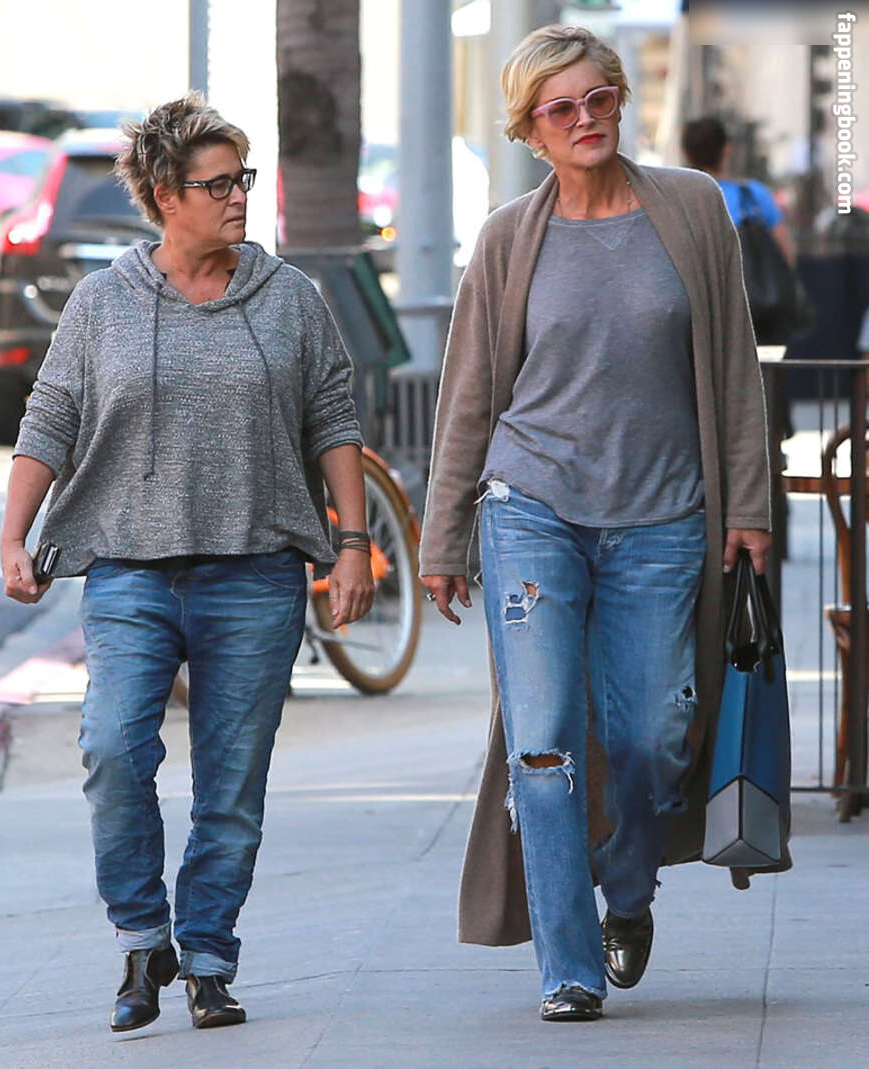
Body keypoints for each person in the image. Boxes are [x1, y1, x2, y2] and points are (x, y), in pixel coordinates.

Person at [419, 25, 776, 1023]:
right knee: (544, 745)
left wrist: (750, 503)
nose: (585, 120)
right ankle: (568, 966)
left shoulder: (692, 210)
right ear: (530, 130)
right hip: (532, 512)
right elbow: (470, 396)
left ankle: (627, 890)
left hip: (664, 518)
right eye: (561, 109)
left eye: (599, 99)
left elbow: (736, 366)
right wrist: (444, 537)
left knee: (652, 735)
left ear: (621, 99)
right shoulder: (507, 239)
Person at [0, 94, 374, 1033]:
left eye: (242, 178)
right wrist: (15, 534)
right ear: (166, 196)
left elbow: (333, 417)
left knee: (231, 787)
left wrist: (354, 543)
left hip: (257, 572)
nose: (238, 196)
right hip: (130, 569)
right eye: (218, 184)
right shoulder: (103, 301)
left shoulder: (289, 297)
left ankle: (207, 956)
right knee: (112, 750)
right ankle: (142, 936)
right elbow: (50, 418)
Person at [681, 116, 796, 268]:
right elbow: (786, 254)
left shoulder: (678, 200)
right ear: (727, 148)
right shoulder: (753, 194)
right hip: (748, 283)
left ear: (686, 152)